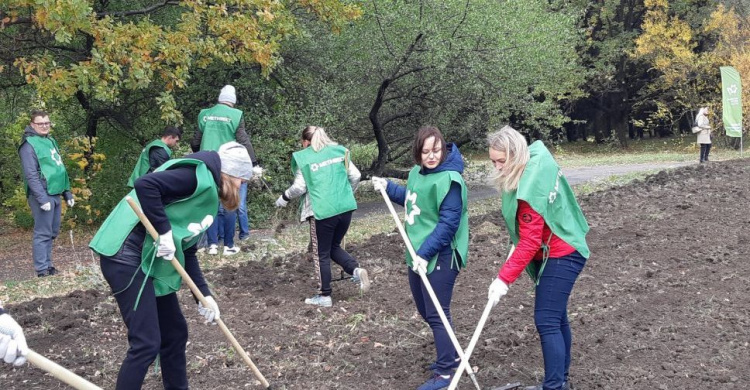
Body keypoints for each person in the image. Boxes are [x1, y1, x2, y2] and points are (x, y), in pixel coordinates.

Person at [89, 141, 252, 390]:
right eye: (241, 180)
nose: (241, 187)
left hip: (147, 259)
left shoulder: (207, 193)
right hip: (125, 255)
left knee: (174, 333)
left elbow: (188, 251)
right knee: (146, 342)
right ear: (230, 175)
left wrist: (204, 297)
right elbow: (146, 185)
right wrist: (164, 232)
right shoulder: (196, 176)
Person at [486, 125, 590, 390]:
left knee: (546, 320)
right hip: (564, 242)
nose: (498, 167)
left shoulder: (529, 192)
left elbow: (530, 242)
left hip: (563, 252)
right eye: (493, 161)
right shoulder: (536, 158)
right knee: (556, 317)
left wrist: (503, 280)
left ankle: (555, 386)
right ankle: (561, 382)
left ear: (516, 155)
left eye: (502, 160)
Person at [371, 125, 469, 390]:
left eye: (436, 150)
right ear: (418, 153)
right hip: (417, 252)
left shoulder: (450, 180)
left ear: (444, 149)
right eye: (426, 152)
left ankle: (447, 371)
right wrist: (389, 187)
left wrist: (425, 254)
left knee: (437, 312)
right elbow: (414, 199)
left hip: (442, 254)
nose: (432, 156)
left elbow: (448, 224)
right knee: (426, 311)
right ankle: (454, 355)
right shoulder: (417, 173)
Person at [275, 126, 370, 307]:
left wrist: (284, 197)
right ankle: (356, 271)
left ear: (305, 142)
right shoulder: (339, 151)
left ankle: (324, 295)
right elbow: (356, 175)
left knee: (321, 254)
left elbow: (299, 188)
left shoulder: (305, 158)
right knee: (333, 246)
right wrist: (347, 194)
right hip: (345, 209)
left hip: (322, 212)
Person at [191, 85, 260, 255]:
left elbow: (195, 141)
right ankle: (229, 245)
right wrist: (253, 162)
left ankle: (212, 245)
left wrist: (199, 154)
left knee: (211, 204)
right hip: (227, 165)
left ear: (220, 99)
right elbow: (243, 140)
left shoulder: (204, 114)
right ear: (233, 102)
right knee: (229, 203)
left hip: (207, 164)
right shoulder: (236, 115)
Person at [18, 109, 74, 277]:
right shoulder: (28, 145)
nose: (44, 126)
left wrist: (67, 193)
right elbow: (31, 174)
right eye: (40, 123)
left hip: (55, 192)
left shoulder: (50, 141)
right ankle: (43, 270)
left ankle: (49, 266)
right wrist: (41, 198)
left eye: (47, 123)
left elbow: (59, 169)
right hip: (41, 195)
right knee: (43, 232)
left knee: (53, 231)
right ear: (32, 125)